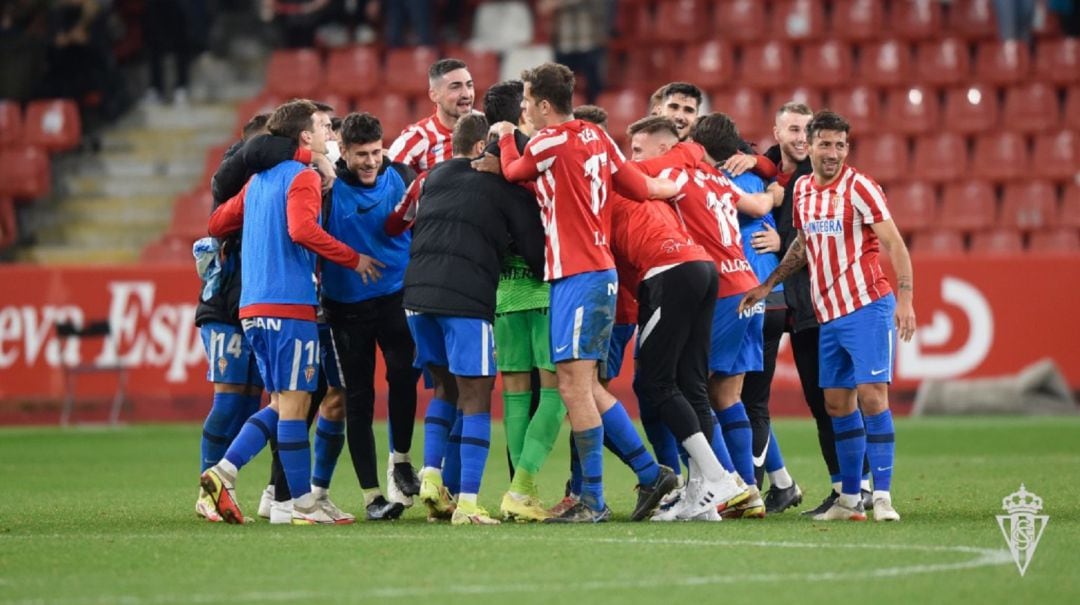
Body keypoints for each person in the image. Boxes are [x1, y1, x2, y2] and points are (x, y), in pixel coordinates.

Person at [495, 62, 680, 523]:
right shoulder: (598, 137)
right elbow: (637, 186)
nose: (524, 111)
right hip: (596, 274)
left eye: (526, 102)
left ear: (542, 104)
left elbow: (514, 171)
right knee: (583, 385)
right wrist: (669, 186)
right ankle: (647, 471)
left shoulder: (548, 140)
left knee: (574, 388)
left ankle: (593, 499)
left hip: (578, 275)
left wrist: (501, 135)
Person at [200, 99, 383, 525]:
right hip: (289, 305)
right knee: (297, 404)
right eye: (322, 126)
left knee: (284, 403)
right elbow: (302, 230)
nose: (328, 133)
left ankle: (244, 483)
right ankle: (298, 501)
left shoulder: (258, 181)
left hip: (252, 308)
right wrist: (353, 258)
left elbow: (216, 224)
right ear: (304, 136)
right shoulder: (301, 177)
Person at [740, 110, 916, 522]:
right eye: (825, 144)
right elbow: (803, 243)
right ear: (813, 145)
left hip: (867, 306)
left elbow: (896, 245)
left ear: (846, 148)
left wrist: (905, 300)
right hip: (828, 314)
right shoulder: (802, 190)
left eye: (840, 145)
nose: (833, 152)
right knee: (836, 405)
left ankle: (883, 497)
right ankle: (848, 500)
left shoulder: (861, 188)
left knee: (872, 398)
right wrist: (768, 285)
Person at [634, 112, 776, 519]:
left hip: (720, 291)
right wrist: (777, 192)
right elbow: (760, 203)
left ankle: (722, 484)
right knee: (726, 394)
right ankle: (745, 488)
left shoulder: (683, 177)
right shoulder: (720, 181)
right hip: (747, 285)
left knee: (686, 388)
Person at [406, 114, 546, 525]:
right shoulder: (506, 186)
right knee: (478, 397)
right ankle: (467, 504)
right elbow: (536, 258)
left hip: (415, 296)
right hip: (465, 301)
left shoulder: (435, 176)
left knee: (444, 389)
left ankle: (431, 477)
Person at [764, 103, 873, 516]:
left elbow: (803, 242)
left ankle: (859, 487)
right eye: (793, 130)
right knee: (825, 402)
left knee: (842, 402)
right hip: (804, 308)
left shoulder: (832, 187)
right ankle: (849, 488)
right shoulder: (798, 185)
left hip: (825, 308)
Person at [321, 112, 423, 521]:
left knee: (404, 375)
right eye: (361, 154)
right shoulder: (326, 188)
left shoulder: (399, 175)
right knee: (358, 399)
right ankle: (371, 497)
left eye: (376, 152)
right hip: (346, 308)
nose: (370, 161)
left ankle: (400, 459)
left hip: (396, 297)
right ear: (342, 152)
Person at [710, 104, 804, 515]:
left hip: (751, 300)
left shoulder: (716, 182)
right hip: (769, 299)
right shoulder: (758, 176)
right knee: (748, 398)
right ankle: (781, 484)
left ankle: (748, 485)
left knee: (741, 400)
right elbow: (773, 196)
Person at [193, 113, 271, 523]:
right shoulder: (235, 176)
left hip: (260, 304)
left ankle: (225, 485)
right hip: (225, 306)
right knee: (227, 400)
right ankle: (206, 488)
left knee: (250, 404)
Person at [387, 58, 475, 174]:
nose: (466, 94)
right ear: (434, 95)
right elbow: (390, 184)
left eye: (469, 85)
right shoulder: (417, 138)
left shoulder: (490, 128)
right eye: (455, 87)